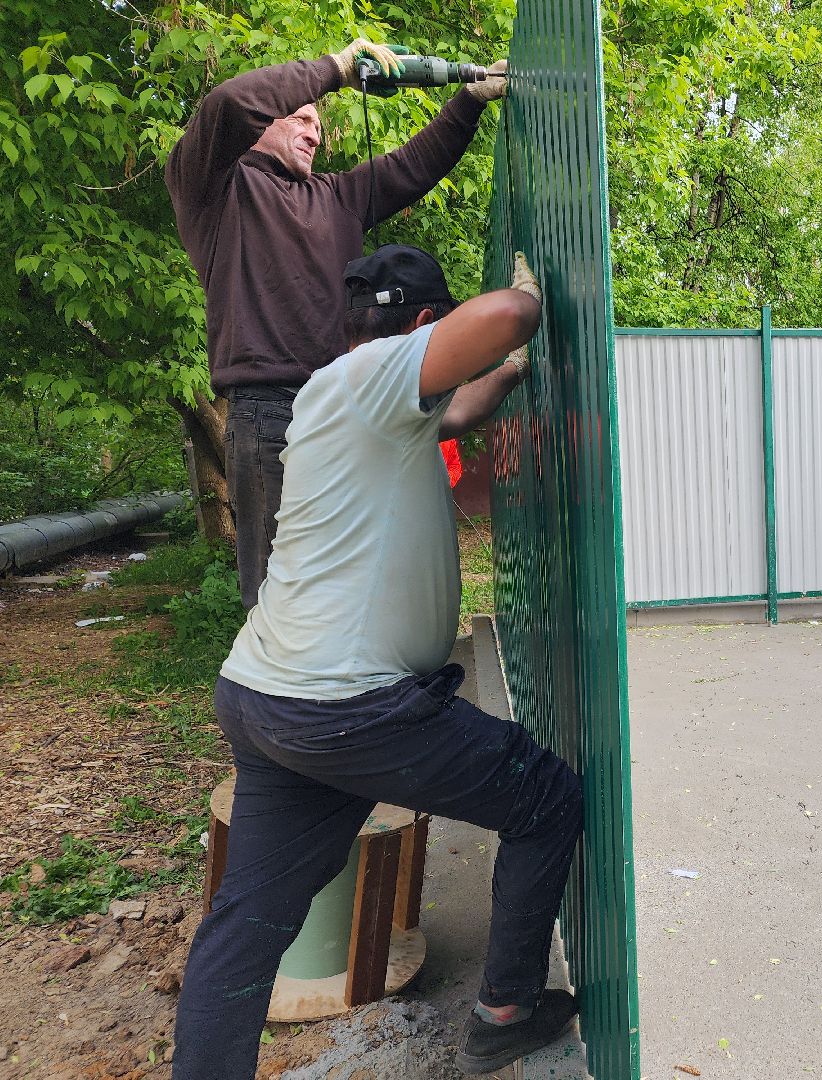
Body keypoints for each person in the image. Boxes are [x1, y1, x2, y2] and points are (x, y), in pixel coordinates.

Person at [171, 246, 582, 1079]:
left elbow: (454, 412)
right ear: (423, 326)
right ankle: (504, 1012)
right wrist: (523, 299)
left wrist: (504, 377)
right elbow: (506, 317)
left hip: (267, 693)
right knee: (546, 799)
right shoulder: (373, 378)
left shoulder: (347, 395)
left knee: (247, 922)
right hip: (349, 709)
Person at [165, 40, 517, 608]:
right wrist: (336, 71)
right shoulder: (214, 188)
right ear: (266, 118)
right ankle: (280, 692)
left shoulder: (336, 196)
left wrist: (470, 100)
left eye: (318, 124)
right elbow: (229, 105)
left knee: (357, 574)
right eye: (301, 116)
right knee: (284, 590)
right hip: (270, 416)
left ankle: (360, 691)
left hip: (349, 402)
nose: (315, 131)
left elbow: (412, 166)